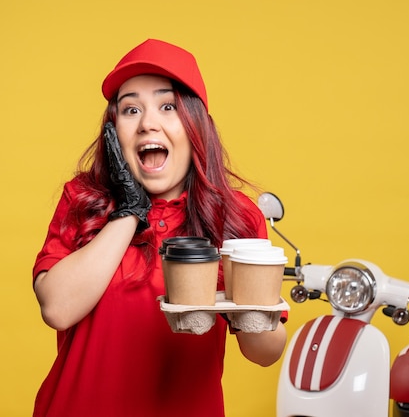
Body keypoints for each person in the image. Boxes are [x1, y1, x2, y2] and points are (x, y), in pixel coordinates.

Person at [32, 38, 287, 417]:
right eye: (131, 109)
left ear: (195, 125)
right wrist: (131, 210)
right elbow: (58, 308)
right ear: (113, 131)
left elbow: (264, 353)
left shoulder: (236, 215)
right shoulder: (83, 198)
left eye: (168, 106)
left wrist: (246, 302)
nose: (148, 123)